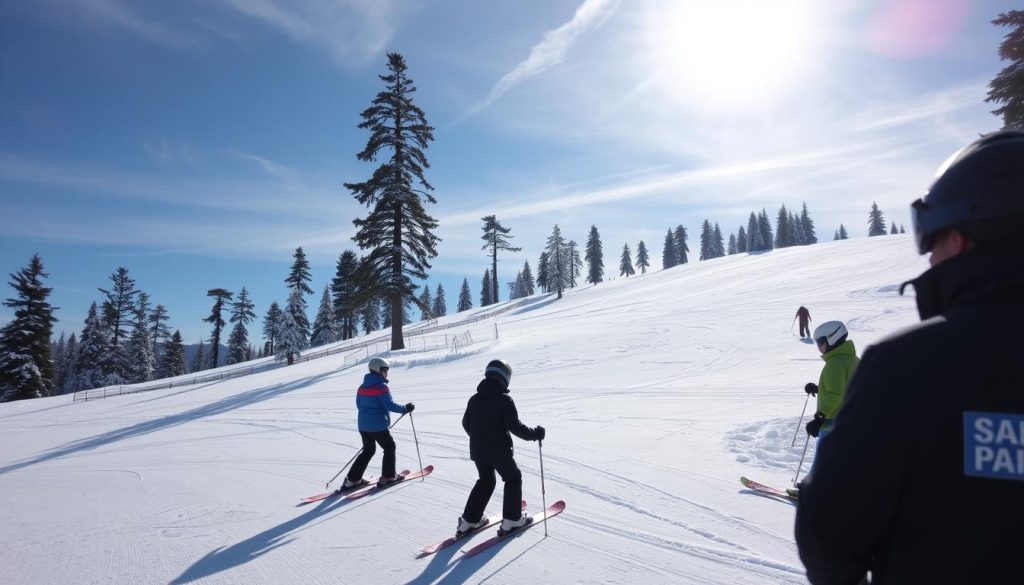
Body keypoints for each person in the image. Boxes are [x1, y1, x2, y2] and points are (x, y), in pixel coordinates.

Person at [795, 130, 1024, 584]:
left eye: (930, 241)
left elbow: (830, 535)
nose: (929, 259)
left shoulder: (907, 367)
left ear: (957, 239)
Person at [458, 359, 545, 536]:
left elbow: (466, 423)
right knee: (513, 478)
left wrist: (479, 438)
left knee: (486, 481)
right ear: (505, 378)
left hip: (478, 450)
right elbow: (515, 427)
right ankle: (512, 520)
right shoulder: (504, 400)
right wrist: (535, 434)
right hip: (498, 450)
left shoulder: (474, 399)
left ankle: (469, 521)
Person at [342, 357, 414, 489]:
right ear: (378, 370)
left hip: (363, 426)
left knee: (368, 450)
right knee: (389, 447)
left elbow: (359, 405)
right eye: (384, 370)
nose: (386, 373)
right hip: (377, 426)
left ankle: (352, 479)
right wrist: (405, 408)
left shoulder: (362, 387)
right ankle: (388, 476)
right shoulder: (381, 387)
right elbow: (389, 405)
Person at [800, 320, 859, 479]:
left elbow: (835, 395)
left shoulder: (835, 364)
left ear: (832, 339)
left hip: (831, 421)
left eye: (820, 342)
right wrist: (819, 389)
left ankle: (812, 487)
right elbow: (846, 389)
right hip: (850, 420)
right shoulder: (853, 360)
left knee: (823, 456)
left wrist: (820, 417)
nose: (818, 347)